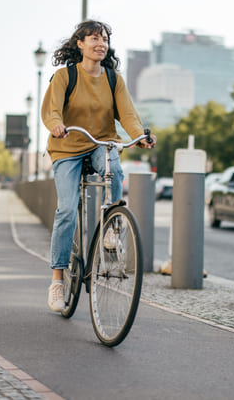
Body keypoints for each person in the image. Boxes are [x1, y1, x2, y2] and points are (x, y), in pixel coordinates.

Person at [41, 20, 156, 312]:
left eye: (104, 39)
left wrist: (140, 137)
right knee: (67, 208)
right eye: (93, 38)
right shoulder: (65, 76)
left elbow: (128, 115)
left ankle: (111, 227)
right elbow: (52, 109)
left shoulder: (113, 78)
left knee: (115, 169)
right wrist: (56, 125)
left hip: (99, 142)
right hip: (67, 146)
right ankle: (57, 280)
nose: (100, 43)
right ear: (79, 44)